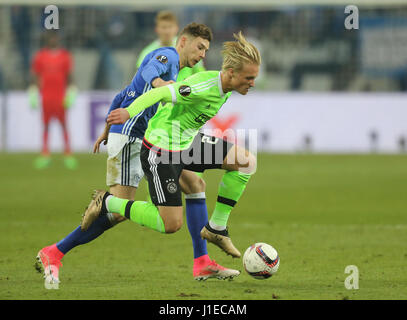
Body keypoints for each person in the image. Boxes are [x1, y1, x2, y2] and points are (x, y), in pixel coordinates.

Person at [35, 23, 239, 286]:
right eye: (199, 47)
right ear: (184, 41)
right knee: (117, 211)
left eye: (206, 50)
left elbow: (123, 94)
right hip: (133, 138)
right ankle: (55, 251)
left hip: (146, 138)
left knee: (195, 184)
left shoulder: (176, 67)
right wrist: (159, 85)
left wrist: (106, 129)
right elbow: (152, 71)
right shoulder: (168, 57)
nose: (202, 54)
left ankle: (202, 263)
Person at [82, 31, 260, 265]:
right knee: (171, 224)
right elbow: (159, 92)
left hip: (184, 142)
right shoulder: (201, 86)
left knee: (246, 162)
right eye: (248, 78)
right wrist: (128, 112)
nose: (252, 83)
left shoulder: (226, 88)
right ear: (230, 73)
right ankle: (107, 202)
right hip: (161, 148)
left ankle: (216, 228)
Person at [29, 31, 78, 170]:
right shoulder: (40, 56)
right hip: (46, 97)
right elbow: (35, 76)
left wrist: (72, 91)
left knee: (63, 125)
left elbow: (70, 76)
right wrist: (33, 90)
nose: (53, 40)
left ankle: (68, 155)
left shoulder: (65, 56)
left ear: (58, 39)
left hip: (60, 97)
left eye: (55, 37)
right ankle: (45, 154)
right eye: (51, 37)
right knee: (45, 125)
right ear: (47, 39)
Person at [136, 11, 205, 76]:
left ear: (176, 28)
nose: (167, 31)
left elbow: (200, 74)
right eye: (164, 27)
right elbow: (139, 80)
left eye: (170, 27)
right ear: (157, 29)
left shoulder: (190, 48)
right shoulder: (147, 53)